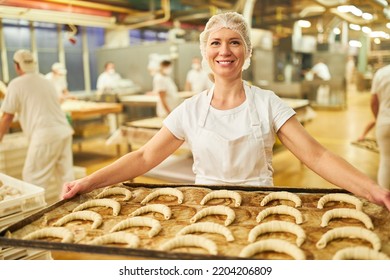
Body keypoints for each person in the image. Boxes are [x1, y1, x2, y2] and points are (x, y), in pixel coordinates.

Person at [62, 12, 390, 211]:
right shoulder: (189, 110)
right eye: (216, 42)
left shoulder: (268, 103)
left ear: (246, 51)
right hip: (205, 205)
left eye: (234, 42)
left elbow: (316, 156)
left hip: (262, 206)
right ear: (206, 51)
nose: (225, 50)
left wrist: (372, 189)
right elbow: (145, 157)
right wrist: (88, 182)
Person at [0, 49, 74, 194]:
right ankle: (72, 212)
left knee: (33, 180)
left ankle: (35, 216)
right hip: (64, 131)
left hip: (45, 135)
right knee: (66, 180)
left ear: (17, 66)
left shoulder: (16, 84)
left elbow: (7, 116)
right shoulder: (46, 81)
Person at [370, 64, 390, 188]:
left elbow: (373, 102)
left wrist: (378, 119)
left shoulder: (381, 73)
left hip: (384, 122)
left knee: (386, 161)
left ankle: (384, 202)